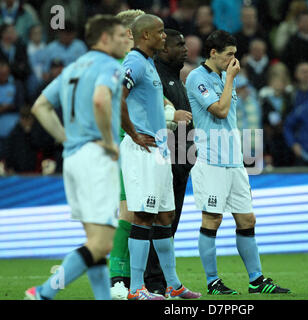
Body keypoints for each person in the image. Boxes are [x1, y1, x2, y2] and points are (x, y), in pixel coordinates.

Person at [24, 14, 127, 300]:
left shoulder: (72, 68)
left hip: (73, 158)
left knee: (94, 242)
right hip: (96, 157)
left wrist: (65, 138)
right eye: (120, 36)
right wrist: (109, 141)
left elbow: (40, 106)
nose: (124, 41)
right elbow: (100, 99)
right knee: (102, 243)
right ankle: (43, 292)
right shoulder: (108, 65)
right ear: (104, 38)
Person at [186, 30, 290, 295]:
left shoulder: (224, 76)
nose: (234, 60)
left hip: (234, 161)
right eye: (229, 54)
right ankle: (212, 281)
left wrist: (228, 77)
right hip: (210, 161)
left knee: (247, 219)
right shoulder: (197, 78)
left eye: (235, 54)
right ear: (213, 53)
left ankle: (256, 280)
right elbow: (219, 111)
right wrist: (231, 78)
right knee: (212, 220)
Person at [120, 14, 201, 300]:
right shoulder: (133, 62)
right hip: (142, 150)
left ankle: (172, 284)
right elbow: (113, 95)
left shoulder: (149, 64)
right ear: (144, 36)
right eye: (159, 32)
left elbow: (154, 100)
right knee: (143, 215)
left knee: (165, 215)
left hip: (160, 149)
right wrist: (131, 132)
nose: (164, 36)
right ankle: (136, 288)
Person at [141, 28, 194, 295]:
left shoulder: (174, 78)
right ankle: (153, 282)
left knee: (169, 224)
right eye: (180, 44)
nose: (185, 49)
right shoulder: (156, 78)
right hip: (166, 162)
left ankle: (164, 282)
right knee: (160, 223)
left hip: (181, 163)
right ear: (164, 50)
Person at [108, 8, 146, 301]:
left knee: (143, 213)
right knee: (129, 211)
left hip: (141, 144)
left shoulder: (140, 61)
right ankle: (116, 279)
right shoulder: (120, 63)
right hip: (124, 144)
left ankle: (141, 280)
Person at [0, 59, 24, 173]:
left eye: (5, 74)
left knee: (15, 168)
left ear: (9, 73)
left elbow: (19, 106)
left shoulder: (17, 85)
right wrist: (6, 106)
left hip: (14, 135)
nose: (2, 76)